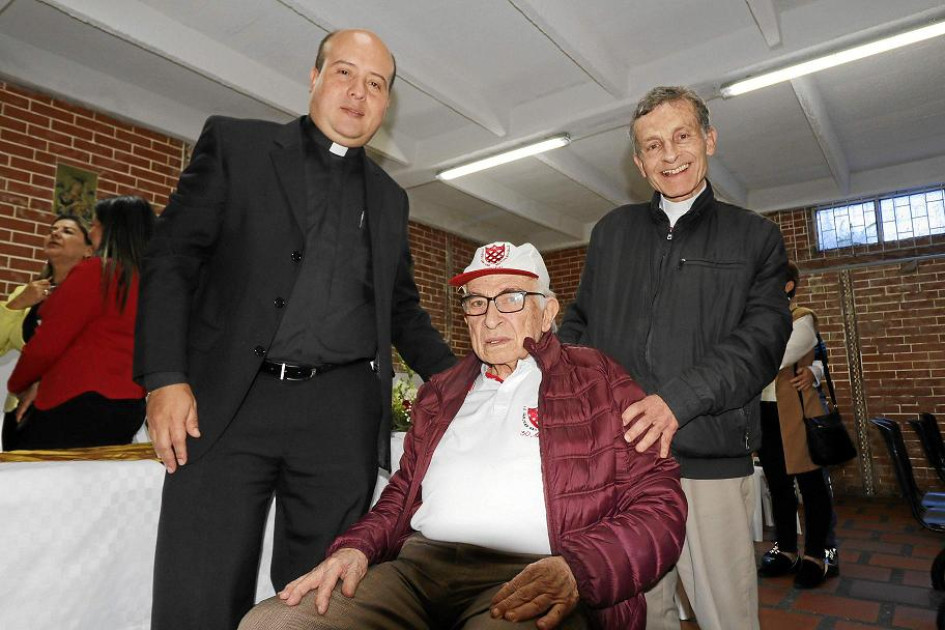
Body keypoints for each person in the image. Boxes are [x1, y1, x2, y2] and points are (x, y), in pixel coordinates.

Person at [135, 29, 456, 630]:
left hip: (338, 420)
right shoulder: (237, 145)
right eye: (344, 73)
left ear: (387, 104)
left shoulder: (390, 199)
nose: (358, 94)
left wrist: (470, 383)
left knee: (321, 602)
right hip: (228, 402)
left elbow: (403, 311)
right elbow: (171, 258)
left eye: (375, 84)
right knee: (197, 589)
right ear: (314, 77)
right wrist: (164, 377)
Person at [239, 242, 687, 630]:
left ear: (547, 311)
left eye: (510, 298)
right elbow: (401, 495)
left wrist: (578, 567)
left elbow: (659, 504)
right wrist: (356, 547)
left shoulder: (598, 380)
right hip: (417, 570)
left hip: (529, 572)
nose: (490, 319)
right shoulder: (441, 392)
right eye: (475, 302)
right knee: (271, 623)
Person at [558, 85, 792, 630]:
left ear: (709, 139)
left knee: (726, 617)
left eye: (682, 136)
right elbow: (580, 322)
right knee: (640, 616)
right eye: (653, 145)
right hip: (622, 471)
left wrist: (676, 402)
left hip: (706, 467)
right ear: (639, 163)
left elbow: (759, 343)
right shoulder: (612, 233)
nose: (671, 155)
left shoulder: (755, 237)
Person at [7, 197, 154, 449]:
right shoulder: (155, 283)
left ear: (112, 231)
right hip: (129, 405)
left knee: (23, 476)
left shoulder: (97, 271)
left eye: (95, 225)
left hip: (76, 401)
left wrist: (19, 384)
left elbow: (48, 343)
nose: (92, 230)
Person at [757, 261, 838, 588]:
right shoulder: (756, 319)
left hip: (797, 414)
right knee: (778, 486)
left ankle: (818, 554)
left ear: (788, 285)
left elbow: (775, 359)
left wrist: (815, 370)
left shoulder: (801, 316)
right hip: (764, 412)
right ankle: (787, 549)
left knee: (811, 485)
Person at [0, 214, 94, 449]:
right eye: (53, 229)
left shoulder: (99, 296)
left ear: (88, 251)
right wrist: (17, 303)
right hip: (22, 414)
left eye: (67, 231)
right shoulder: (25, 293)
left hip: (76, 413)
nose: (55, 233)